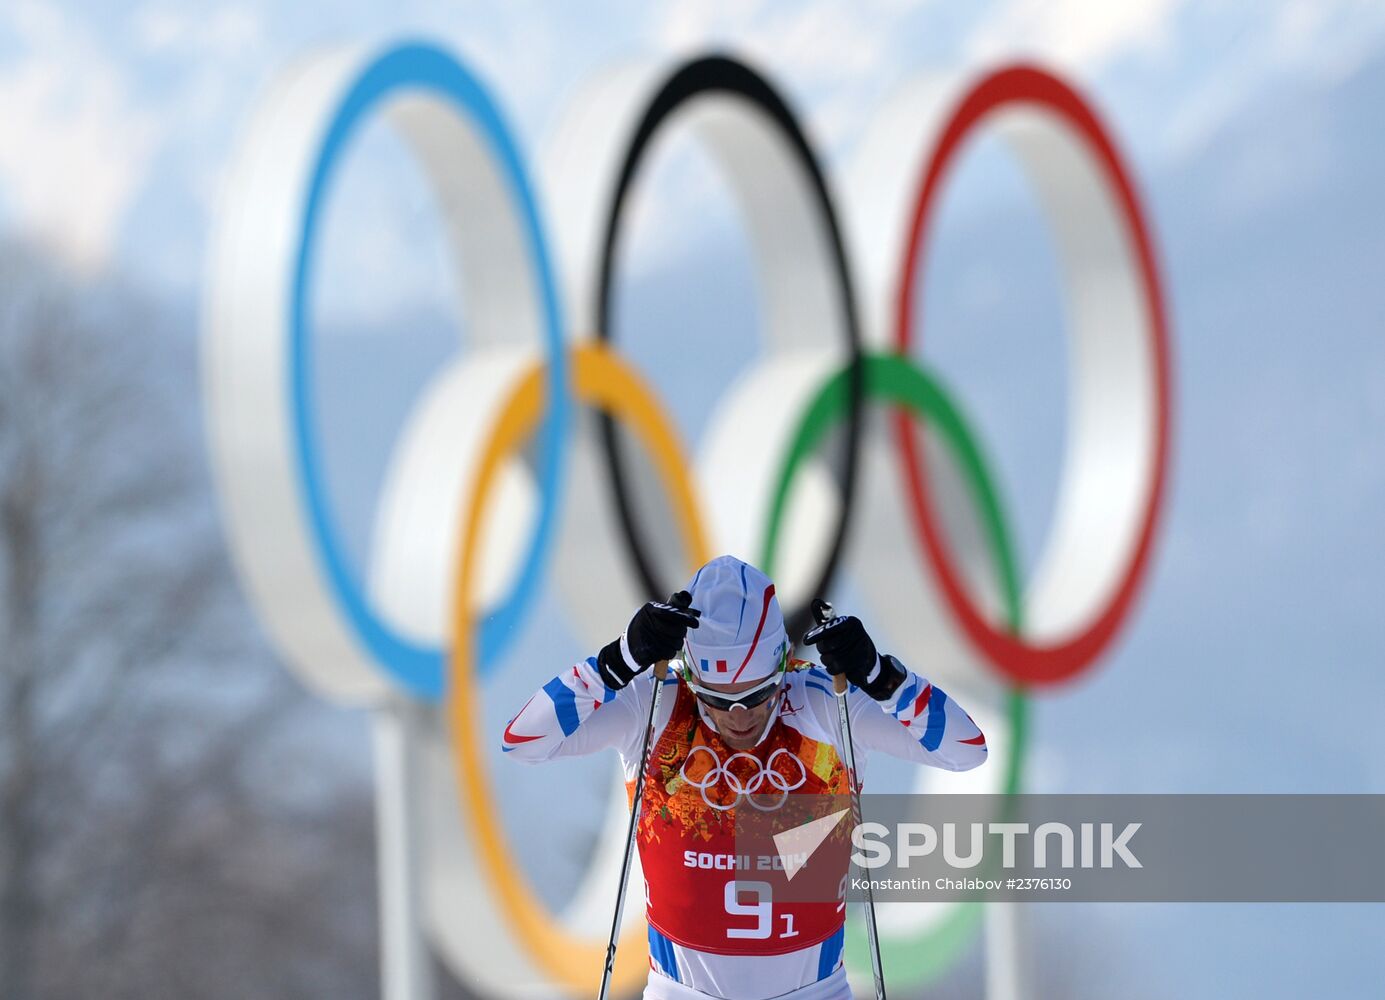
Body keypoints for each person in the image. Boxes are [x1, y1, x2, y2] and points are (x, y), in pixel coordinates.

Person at [501, 555, 987, 1000]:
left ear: (782, 666)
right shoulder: (657, 704)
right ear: (692, 676)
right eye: (716, 699)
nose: (738, 717)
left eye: (756, 696)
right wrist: (619, 659)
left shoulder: (823, 704)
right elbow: (523, 741)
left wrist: (881, 676)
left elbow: (967, 751)